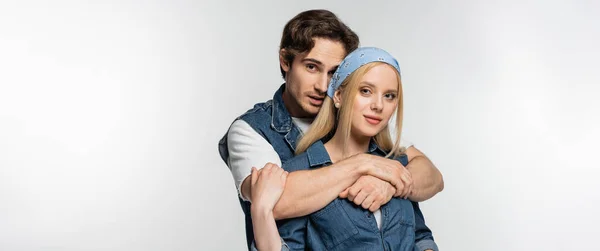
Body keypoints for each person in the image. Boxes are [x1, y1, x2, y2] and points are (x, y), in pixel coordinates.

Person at [218, 9, 444, 251]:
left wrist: (389, 184)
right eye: (312, 67)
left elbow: (426, 173)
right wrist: (362, 165)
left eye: (334, 72)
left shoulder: (364, 124)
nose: (323, 86)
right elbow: (276, 202)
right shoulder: (251, 130)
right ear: (285, 61)